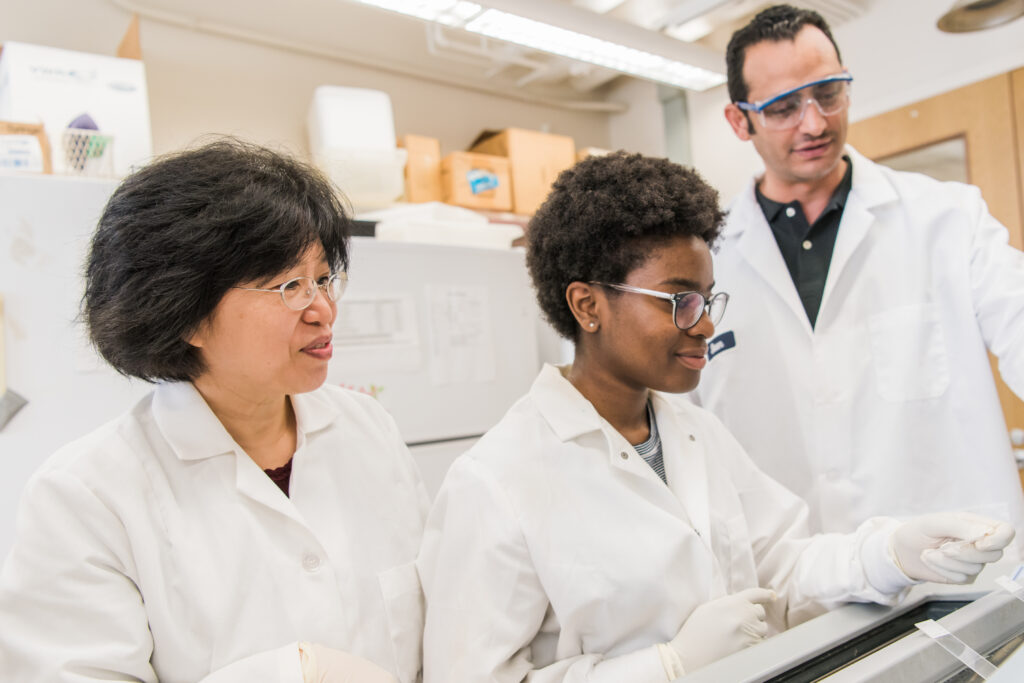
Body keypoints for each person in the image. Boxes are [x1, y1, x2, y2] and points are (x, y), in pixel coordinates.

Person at [416, 151, 1014, 682]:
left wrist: (890, 553)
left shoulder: (694, 432)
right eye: (680, 300)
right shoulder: (496, 482)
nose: (705, 324)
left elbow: (784, 563)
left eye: (707, 297)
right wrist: (667, 668)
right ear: (587, 304)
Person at [0, 139, 428, 682]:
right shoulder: (86, 497)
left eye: (323, 278)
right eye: (291, 285)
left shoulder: (368, 428)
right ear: (185, 315)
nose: (323, 311)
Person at [690, 4, 1024, 540]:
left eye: (828, 93)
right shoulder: (706, 259)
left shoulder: (949, 218)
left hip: (957, 567)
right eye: (783, 107)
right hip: (794, 581)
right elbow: (675, 424)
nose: (815, 122)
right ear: (739, 120)